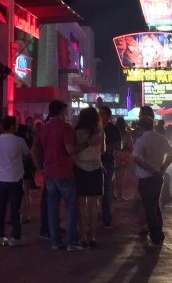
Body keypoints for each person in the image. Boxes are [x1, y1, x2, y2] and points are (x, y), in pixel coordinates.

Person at [32, 100, 94, 251]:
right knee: (71, 206)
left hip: (49, 173)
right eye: (65, 111)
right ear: (60, 111)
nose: (66, 114)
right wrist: (87, 144)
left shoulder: (44, 129)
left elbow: (34, 149)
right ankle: (71, 242)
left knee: (52, 207)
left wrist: (40, 168)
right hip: (64, 172)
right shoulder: (65, 128)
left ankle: (55, 241)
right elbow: (70, 149)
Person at [133, 113, 172, 247]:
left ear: (140, 127)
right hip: (158, 176)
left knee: (149, 208)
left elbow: (135, 157)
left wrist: (147, 167)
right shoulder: (161, 138)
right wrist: (162, 167)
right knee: (156, 206)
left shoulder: (141, 140)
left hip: (146, 177)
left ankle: (155, 236)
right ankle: (159, 233)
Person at [0, 116, 29, 247]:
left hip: (2, 178)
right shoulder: (19, 141)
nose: (18, 126)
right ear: (12, 126)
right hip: (16, 178)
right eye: (17, 124)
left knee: (1, 208)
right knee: (15, 209)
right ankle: (15, 236)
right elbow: (27, 153)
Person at [73, 107, 105, 248]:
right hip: (96, 168)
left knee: (81, 205)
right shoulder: (100, 131)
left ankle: (82, 236)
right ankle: (93, 236)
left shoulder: (77, 132)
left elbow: (73, 149)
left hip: (80, 168)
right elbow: (103, 149)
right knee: (94, 205)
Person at [99, 106, 121, 228]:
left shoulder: (113, 129)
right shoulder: (95, 128)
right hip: (94, 162)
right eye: (99, 113)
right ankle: (95, 214)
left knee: (107, 191)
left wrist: (106, 147)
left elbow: (119, 145)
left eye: (103, 113)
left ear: (108, 115)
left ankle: (106, 219)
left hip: (108, 162)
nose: (101, 115)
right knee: (94, 191)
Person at [15, 117, 35, 222]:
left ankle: (21, 214)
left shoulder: (16, 141)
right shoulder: (27, 140)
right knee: (27, 192)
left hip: (18, 168)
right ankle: (27, 215)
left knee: (20, 192)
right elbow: (29, 153)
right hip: (27, 166)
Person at [114, 117, 133, 200]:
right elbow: (130, 145)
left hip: (114, 155)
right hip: (124, 156)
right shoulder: (127, 134)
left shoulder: (113, 132)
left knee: (112, 176)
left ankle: (112, 194)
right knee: (120, 177)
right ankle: (120, 195)